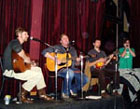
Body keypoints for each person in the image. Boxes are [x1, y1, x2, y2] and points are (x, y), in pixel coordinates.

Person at [3, 27, 53, 103]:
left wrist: (30, 64)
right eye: (25, 34)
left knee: (38, 69)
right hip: (11, 71)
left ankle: (42, 94)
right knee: (37, 75)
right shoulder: (15, 43)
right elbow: (23, 56)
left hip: (17, 69)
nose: (28, 36)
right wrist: (29, 61)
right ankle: (21, 95)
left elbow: (20, 62)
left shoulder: (17, 44)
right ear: (19, 35)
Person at [42, 34, 88, 99]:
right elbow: (44, 52)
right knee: (70, 72)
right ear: (61, 41)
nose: (66, 39)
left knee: (85, 79)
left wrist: (78, 61)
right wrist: (55, 59)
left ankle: (73, 89)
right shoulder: (56, 47)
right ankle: (65, 93)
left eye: (67, 38)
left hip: (71, 68)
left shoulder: (72, 49)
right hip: (58, 68)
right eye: (64, 38)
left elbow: (75, 64)